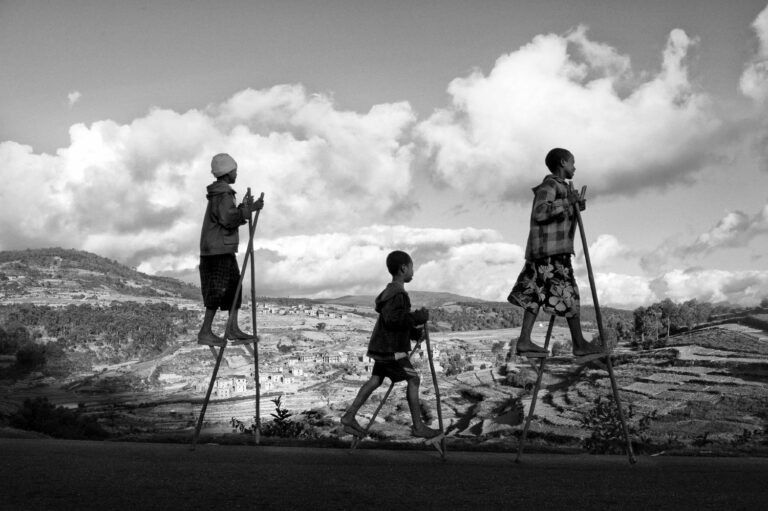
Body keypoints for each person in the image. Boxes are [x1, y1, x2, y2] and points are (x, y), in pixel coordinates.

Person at [507, 148, 603, 359]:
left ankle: (524, 341)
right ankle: (579, 344)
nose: (574, 167)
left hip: (544, 251)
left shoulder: (562, 189)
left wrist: (576, 206)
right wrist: (568, 202)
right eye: (572, 163)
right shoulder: (550, 185)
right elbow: (541, 211)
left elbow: (559, 215)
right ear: (562, 162)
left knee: (535, 293)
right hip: (552, 253)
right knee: (568, 293)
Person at [340, 250, 440, 439]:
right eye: (412, 267)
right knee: (413, 379)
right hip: (391, 351)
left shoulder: (391, 292)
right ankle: (418, 427)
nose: (413, 272)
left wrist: (414, 333)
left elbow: (395, 321)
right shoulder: (398, 294)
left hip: (382, 348)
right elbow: (394, 320)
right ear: (404, 268)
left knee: (376, 380)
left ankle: (349, 416)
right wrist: (417, 317)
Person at [197, 153, 264, 348]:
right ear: (227, 172)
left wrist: (244, 207)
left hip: (222, 249)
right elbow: (227, 219)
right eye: (235, 170)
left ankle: (232, 329)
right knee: (217, 291)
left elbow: (229, 215)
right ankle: (205, 332)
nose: (236, 173)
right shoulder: (223, 193)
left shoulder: (223, 193)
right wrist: (249, 209)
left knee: (234, 288)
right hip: (217, 250)